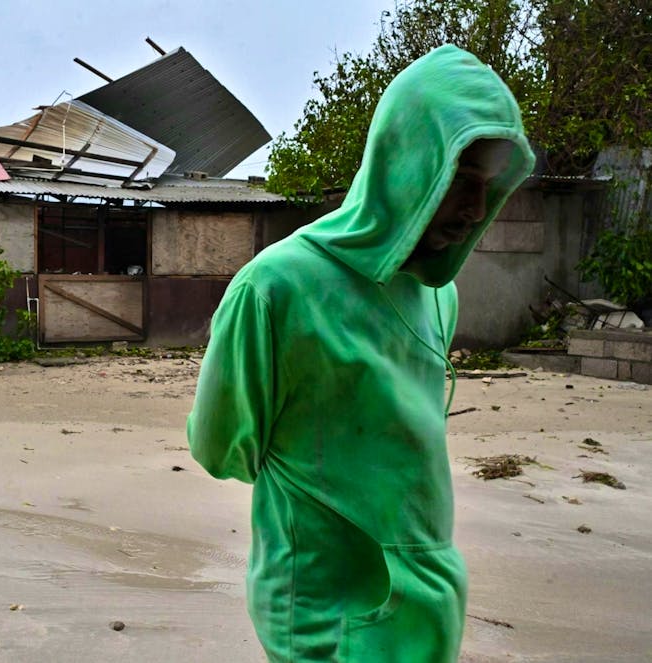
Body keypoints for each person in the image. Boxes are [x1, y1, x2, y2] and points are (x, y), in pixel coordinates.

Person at [186, 45, 535, 662]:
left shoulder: (438, 294)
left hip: (428, 612)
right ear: (406, 159)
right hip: (329, 618)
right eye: (461, 177)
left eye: (488, 185)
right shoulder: (275, 287)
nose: (477, 210)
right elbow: (220, 448)